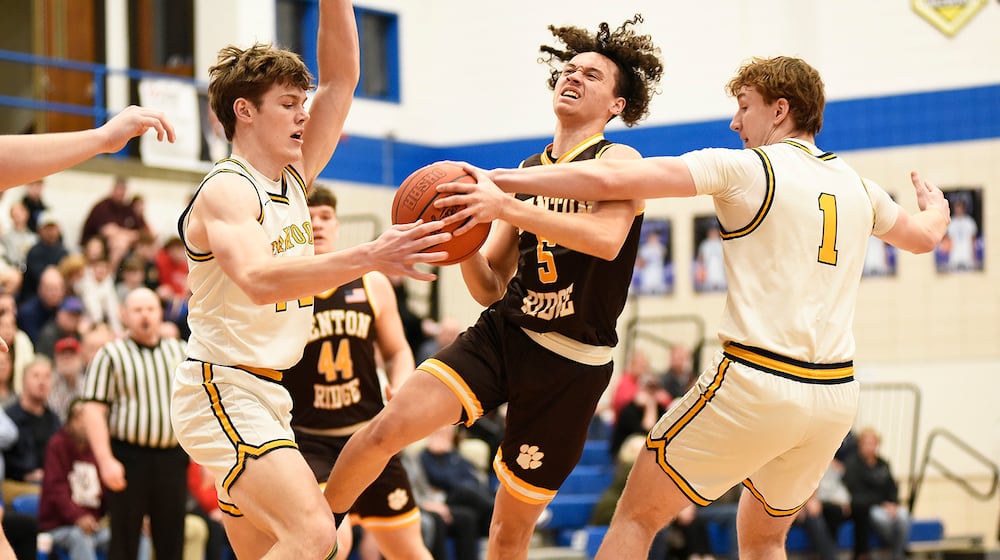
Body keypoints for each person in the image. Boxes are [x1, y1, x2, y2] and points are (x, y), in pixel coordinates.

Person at [437, 55, 950, 559]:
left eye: (743, 107)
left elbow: (612, 181)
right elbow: (924, 238)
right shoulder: (860, 187)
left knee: (636, 517)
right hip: (833, 399)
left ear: (779, 110)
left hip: (759, 381)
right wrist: (937, 209)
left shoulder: (747, 167)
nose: (734, 122)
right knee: (765, 541)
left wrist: (498, 182)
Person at [324, 15, 663, 560]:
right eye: (568, 70)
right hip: (505, 334)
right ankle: (312, 536)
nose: (572, 77)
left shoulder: (618, 161)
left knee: (508, 535)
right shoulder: (529, 168)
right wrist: (458, 240)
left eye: (592, 76)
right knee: (386, 429)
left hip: (571, 365)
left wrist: (503, 203)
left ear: (616, 105)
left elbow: (605, 239)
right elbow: (490, 287)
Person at [167, 2, 450, 558]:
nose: (304, 115)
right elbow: (257, 280)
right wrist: (370, 255)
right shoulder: (228, 188)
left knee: (274, 547)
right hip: (222, 389)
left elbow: (343, 78)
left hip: (269, 393)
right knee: (319, 535)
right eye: (289, 104)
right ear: (243, 111)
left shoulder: (294, 179)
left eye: (303, 103)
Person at [0, 102, 174, 560]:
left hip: (167, 456)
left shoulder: (170, 352)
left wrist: (103, 138)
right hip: (127, 455)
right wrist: (101, 138)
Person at [282, 185, 432, 560]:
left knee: (410, 550)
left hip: (369, 438)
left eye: (325, 217)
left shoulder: (371, 282)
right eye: (309, 217)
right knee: (334, 541)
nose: (317, 224)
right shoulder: (284, 287)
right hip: (310, 442)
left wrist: (401, 382)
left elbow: (397, 350)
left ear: (337, 224)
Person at [79, 287, 188, 560]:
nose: (145, 316)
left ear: (160, 313)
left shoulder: (181, 351)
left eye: (150, 309)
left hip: (172, 458)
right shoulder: (110, 355)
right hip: (128, 457)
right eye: (138, 310)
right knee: (125, 540)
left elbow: (196, 406)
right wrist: (105, 460)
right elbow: (93, 410)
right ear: (125, 315)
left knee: (172, 539)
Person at [39, 398, 110, 560]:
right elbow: (56, 490)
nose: (84, 424)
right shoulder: (57, 445)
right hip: (60, 527)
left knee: (132, 535)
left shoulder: (99, 450)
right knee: (79, 537)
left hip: (94, 528)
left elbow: (109, 492)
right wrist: (77, 517)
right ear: (69, 420)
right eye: (79, 417)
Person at [843, 427, 911, 560]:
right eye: (866, 443)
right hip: (869, 507)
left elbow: (892, 487)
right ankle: (897, 548)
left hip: (887, 505)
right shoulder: (853, 465)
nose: (870, 447)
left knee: (904, 516)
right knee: (880, 518)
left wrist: (893, 503)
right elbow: (856, 494)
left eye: (873, 443)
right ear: (860, 444)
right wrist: (882, 504)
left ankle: (897, 554)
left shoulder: (883, 464)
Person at [2, 356, 61, 505]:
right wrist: (26, 474)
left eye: (47, 376)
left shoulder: (55, 419)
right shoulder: (9, 417)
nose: (42, 382)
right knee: (48, 499)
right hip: (15, 483)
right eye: (36, 376)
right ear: (23, 381)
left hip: (48, 482)